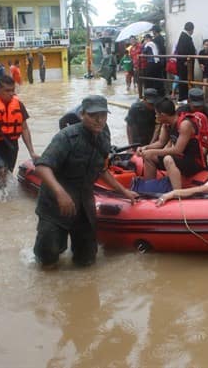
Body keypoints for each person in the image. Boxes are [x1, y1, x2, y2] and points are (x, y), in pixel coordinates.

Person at [32, 95, 138, 267]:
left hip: (84, 204)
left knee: (86, 260)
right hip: (55, 203)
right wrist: (61, 194)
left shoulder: (103, 135)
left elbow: (101, 169)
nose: (99, 120)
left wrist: (124, 191)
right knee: (48, 257)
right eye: (93, 115)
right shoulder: (66, 137)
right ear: (82, 114)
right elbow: (42, 167)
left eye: (103, 115)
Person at [138, 97, 205, 189]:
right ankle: (149, 187)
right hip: (179, 159)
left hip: (192, 162)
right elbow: (160, 143)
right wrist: (145, 148)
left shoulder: (184, 125)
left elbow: (178, 150)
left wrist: (153, 151)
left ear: (163, 115)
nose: (155, 117)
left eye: (156, 114)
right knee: (148, 156)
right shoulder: (166, 125)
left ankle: (177, 194)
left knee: (167, 159)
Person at [175, 22, 196, 102]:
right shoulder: (184, 37)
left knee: (186, 79)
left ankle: (186, 96)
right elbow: (181, 51)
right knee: (184, 79)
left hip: (186, 63)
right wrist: (185, 61)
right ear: (191, 29)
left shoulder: (185, 36)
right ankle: (183, 97)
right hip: (185, 63)